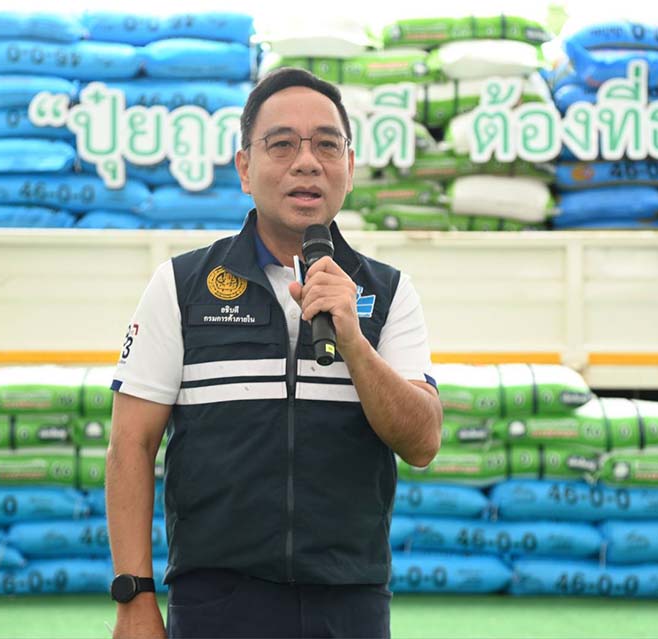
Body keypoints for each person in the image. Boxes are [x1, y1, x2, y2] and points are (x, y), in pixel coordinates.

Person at [106, 67, 443, 639]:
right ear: (244, 167)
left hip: (350, 602)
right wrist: (133, 597)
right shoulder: (182, 286)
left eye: (327, 145)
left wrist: (353, 340)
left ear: (349, 167)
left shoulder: (389, 293)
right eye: (282, 144)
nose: (307, 162)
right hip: (216, 600)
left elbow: (422, 442)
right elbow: (130, 446)